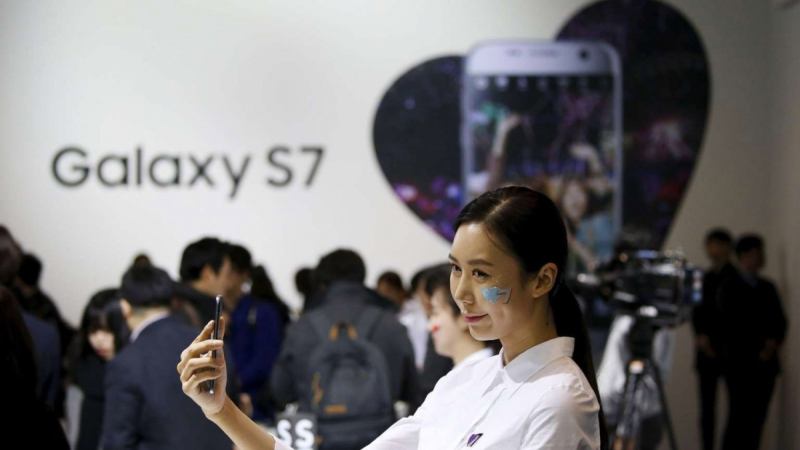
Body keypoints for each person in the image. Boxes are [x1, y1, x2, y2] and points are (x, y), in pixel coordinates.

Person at [177, 186, 606, 449]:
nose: (461, 292)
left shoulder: (559, 400)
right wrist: (220, 409)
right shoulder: (465, 382)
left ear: (542, 279)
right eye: (456, 269)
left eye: (481, 274)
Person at [101, 265, 234, 450]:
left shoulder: (126, 363)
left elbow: (118, 442)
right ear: (173, 301)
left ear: (125, 307)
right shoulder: (211, 345)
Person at [717, 234, 787, 450]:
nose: (759, 258)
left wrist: (772, 344)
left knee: (757, 420)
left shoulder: (767, 287)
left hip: (765, 365)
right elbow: (730, 325)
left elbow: (780, 321)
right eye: (754, 254)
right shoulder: (730, 287)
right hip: (739, 364)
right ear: (743, 256)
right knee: (738, 418)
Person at [225, 243, 284, 422]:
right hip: (217, 406)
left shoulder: (261, 311)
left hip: (256, 409)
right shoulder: (206, 312)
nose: (225, 276)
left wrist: (231, 384)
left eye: (230, 270)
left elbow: (266, 360)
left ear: (243, 274)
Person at [66, 288, 130, 450]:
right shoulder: (84, 367)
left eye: (108, 330)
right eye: (93, 330)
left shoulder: (136, 372)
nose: (99, 339)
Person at [692, 228, 736, 450]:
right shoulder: (703, 278)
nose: (713, 249)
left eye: (717, 244)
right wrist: (701, 336)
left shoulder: (735, 279)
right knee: (707, 409)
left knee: (736, 408)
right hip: (707, 350)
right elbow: (697, 311)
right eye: (710, 244)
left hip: (731, 351)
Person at [424, 267, 496, 367]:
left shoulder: (484, 370)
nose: (429, 327)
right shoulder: (464, 372)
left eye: (436, 313)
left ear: (465, 315)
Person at [173, 237, 235, 328]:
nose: (230, 284)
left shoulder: (174, 304)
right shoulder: (185, 316)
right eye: (227, 275)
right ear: (208, 273)